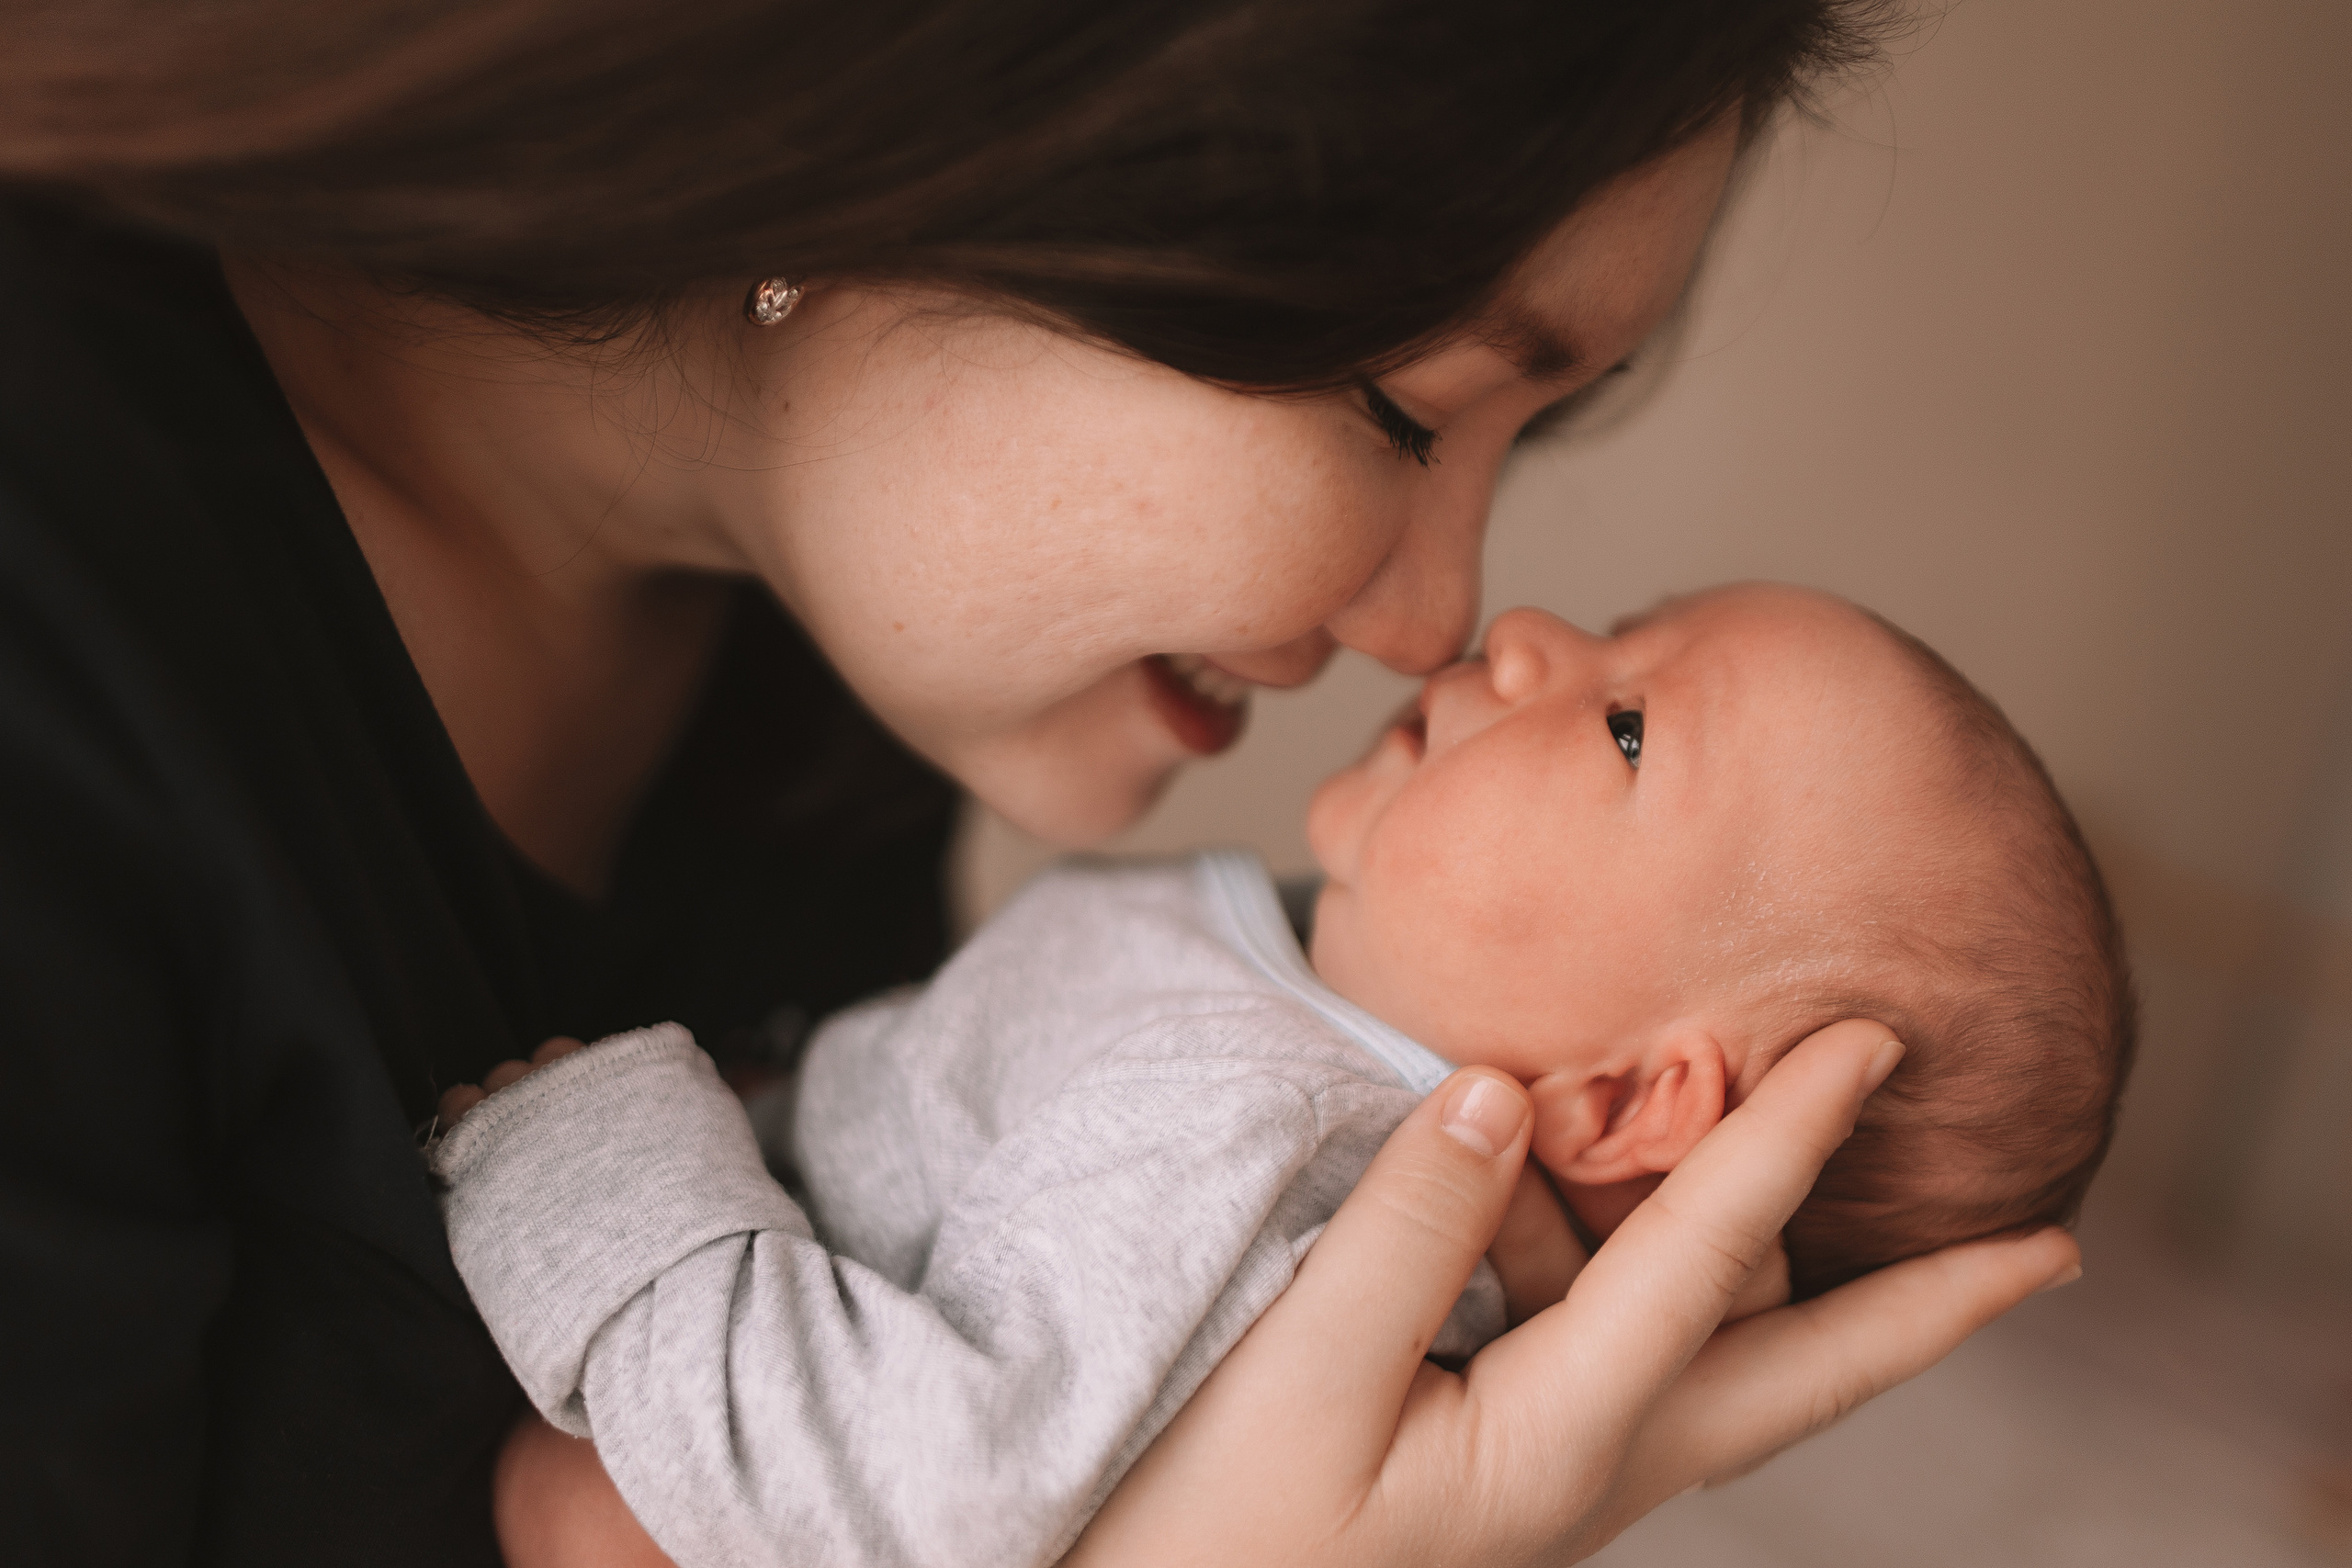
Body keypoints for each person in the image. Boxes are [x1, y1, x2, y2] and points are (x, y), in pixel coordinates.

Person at [0, 5, 2084, 1565]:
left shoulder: (829, 709)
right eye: (1403, 404)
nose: (1440, 613)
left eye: (1515, 453)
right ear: (956, 137)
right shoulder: (69, 641)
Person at [426, 585, 2133, 1568]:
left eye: (1627, 725)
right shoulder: (1275, 1019)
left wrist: (591, 1151)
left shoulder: (1255, 1116)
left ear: (1624, 1104)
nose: (1526, 632)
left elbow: (916, 1487)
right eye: (1623, 631)